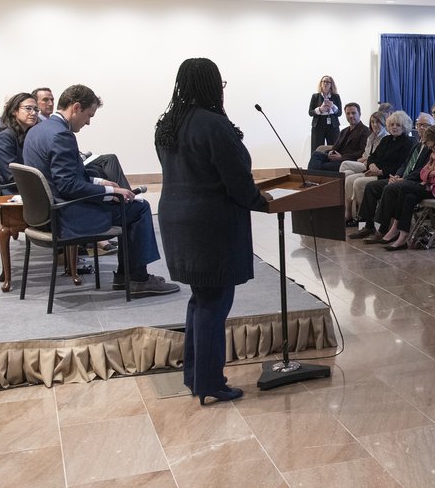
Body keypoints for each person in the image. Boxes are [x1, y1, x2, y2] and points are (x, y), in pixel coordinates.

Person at [154, 58, 268, 404]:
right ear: (210, 85)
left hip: (176, 218)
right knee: (215, 303)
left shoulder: (167, 124)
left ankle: (195, 376)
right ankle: (209, 382)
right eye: (220, 83)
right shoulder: (214, 124)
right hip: (210, 223)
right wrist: (262, 202)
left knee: (201, 299)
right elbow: (236, 178)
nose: (222, 90)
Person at [23, 84, 178, 298]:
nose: (88, 122)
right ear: (76, 107)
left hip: (45, 214)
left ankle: (126, 276)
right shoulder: (61, 135)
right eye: (88, 115)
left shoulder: (37, 130)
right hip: (66, 214)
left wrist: (102, 181)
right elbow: (68, 185)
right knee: (139, 208)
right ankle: (137, 279)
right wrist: (108, 192)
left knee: (127, 202)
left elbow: (62, 176)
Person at [380, 121, 435, 250]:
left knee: (403, 186)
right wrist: (433, 173)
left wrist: (429, 175)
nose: (432, 149)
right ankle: (402, 235)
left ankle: (396, 228)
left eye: (432, 146)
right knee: (408, 197)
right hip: (430, 186)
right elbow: (423, 172)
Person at [356, 113, 435, 240]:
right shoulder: (417, 144)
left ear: (433, 127)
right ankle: (368, 225)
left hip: (416, 182)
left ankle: (382, 229)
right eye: (419, 125)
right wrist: (397, 175)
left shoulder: (431, 147)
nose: (421, 128)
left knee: (389, 188)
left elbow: (423, 169)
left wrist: (404, 178)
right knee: (371, 187)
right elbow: (405, 164)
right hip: (401, 178)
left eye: (425, 125)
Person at [344, 111, 413, 228]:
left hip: (388, 175)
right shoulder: (386, 140)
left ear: (404, 126)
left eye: (398, 125)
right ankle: (354, 214)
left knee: (359, 183)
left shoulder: (408, 142)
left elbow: (402, 165)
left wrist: (381, 171)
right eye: (392, 125)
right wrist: (372, 165)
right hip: (374, 171)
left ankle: (364, 220)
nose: (394, 127)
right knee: (349, 179)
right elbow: (372, 156)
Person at [0, 93, 40, 191]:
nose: (33, 113)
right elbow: (13, 177)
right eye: (28, 108)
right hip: (13, 192)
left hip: (23, 188)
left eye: (36, 109)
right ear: (14, 111)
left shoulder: (24, 133)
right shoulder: (4, 138)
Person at [307, 102, 370, 172]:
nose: (351, 116)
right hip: (336, 158)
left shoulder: (365, 131)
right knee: (315, 154)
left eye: (353, 113)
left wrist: (341, 157)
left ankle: (310, 179)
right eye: (348, 114)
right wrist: (331, 152)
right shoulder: (344, 131)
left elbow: (362, 152)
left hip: (347, 161)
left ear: (359, 114)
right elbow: (335, 147)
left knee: (320, 166)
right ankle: (311, 178)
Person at [308, 75, 342, 149]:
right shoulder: (315, 96)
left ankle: (333, 161)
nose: (325, 83)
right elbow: (310, 112)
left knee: (334, 148)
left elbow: (339, 113)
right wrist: (320, 109)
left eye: (328, 82)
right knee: (316, 148)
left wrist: (333, 106)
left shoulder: (336, 96)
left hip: (333, 125)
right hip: (318, 125)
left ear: (331, 84)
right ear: (321, 83)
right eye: (323, 81)